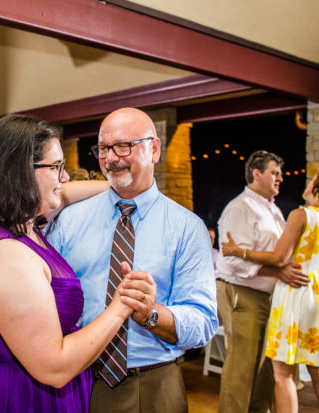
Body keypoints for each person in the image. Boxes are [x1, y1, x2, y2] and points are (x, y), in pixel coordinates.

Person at [0, 114, 135, 413]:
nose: (64, 178)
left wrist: (129, 185)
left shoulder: (22, 225)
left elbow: (64, 194)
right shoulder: (8, 256)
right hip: (12, 396)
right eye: (56, 167)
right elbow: (53, 367)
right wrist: (121, 306)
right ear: (18, 174)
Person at [44, 107, 217, 412]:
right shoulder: (69, 220)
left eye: (124, 146)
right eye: (103, 148)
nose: (111, 158)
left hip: (152, 384)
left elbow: (203, 323)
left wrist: (151, 313)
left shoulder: (187, 228)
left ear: (154, 149)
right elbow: (40, 288)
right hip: (72, 382)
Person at [222, 169, 319, 413]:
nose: (308, 181)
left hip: (296, 293)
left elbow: (280, 258)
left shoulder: (301, 215)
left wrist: (239, 251)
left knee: (282, 372)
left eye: (312, 179)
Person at [215, 150, 310, 413]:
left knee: (268, 363)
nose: (280, 177)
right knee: (242, 365)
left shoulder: (273, 208)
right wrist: (278, 273)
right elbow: (233, 260)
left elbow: (279, 254)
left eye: (280, 173)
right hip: (242, 293)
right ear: (256, 174)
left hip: (272, 296)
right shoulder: (239, 208)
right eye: (274, 172)